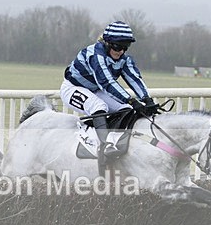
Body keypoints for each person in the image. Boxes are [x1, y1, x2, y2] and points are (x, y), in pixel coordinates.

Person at [60, 20, 158, 162]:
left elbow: (134, 79)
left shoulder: (124, 59)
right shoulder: (95, 55)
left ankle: (117, 141)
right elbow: (106, 83)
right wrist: (132, 99)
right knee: (99, 107)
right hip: (73, 88)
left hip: (95, 89)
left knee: (126, 109)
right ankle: (104, 145)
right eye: (118, 47)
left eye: (126, 47)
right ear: (107, 43)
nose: (121, 51)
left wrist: (147, 99)